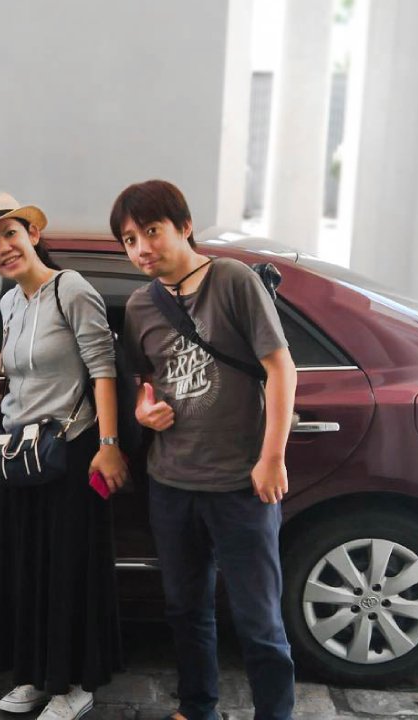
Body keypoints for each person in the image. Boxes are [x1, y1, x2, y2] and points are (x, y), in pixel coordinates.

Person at [113, 179, 298, 720]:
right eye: (130, 240)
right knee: (186, 610)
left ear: (184, 226)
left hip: (240, 485)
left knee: (258, 620)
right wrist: (143, 411)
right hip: (171, 484)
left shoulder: (233, 280)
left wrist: (271, 457)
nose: (142, 249)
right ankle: (197, 708)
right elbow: (144, 381)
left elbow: (281, 368)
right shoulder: (141, 305)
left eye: (152, 231)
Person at [0, 191, 127, 720]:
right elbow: (26, 371)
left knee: (68, 570)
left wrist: (109, 446)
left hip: (70, 452)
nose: (3, 248)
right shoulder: (10, 302)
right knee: (28, 569)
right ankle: (37, 674)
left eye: (10, 234)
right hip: (22, 455)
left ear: (32, 235)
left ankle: (74, 684)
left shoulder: (70, 289)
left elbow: (103, 370)